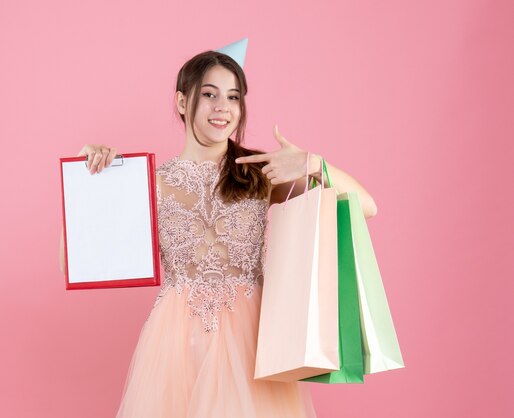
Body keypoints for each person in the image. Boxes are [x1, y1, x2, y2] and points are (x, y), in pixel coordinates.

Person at [59, 50, 377, 417]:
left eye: (233, 96)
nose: (222, 107)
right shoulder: (150, 183)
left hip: (252, 340)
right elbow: (76, 261)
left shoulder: (259, 173)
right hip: (174, 343)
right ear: (182, 101)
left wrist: (315, 163)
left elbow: (366, 205)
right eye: (209, 94)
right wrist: (89, 181)